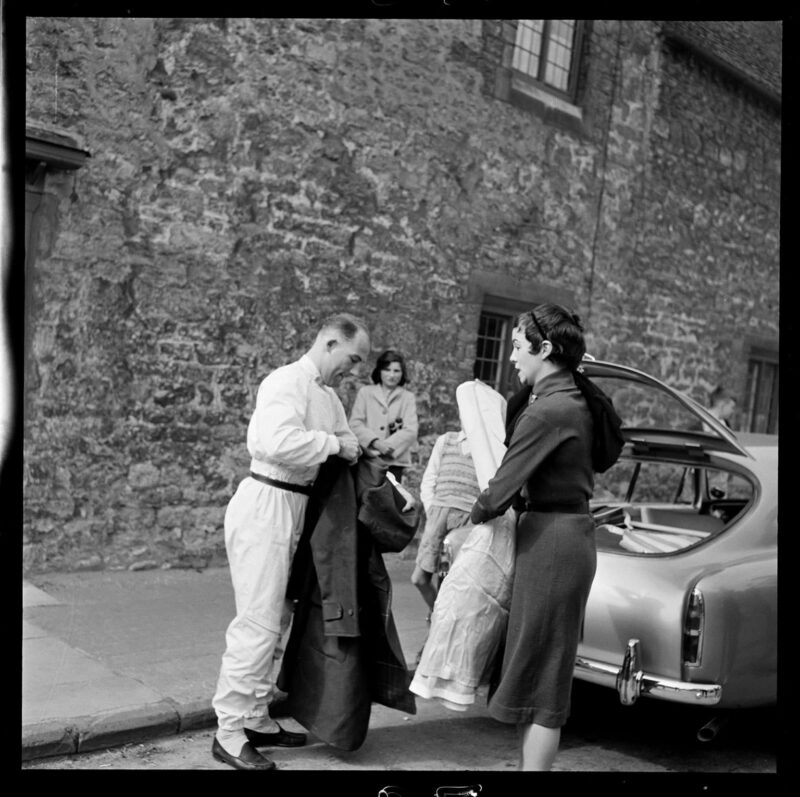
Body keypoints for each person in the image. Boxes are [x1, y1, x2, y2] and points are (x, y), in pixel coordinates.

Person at [211, 313, 371, 771]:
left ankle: (256, 716)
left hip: (301, 507)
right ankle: (228, 731)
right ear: (329, 342)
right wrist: (334, 446)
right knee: (258, 623)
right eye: (352, 358)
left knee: (279, 616)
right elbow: (276, 442)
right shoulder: (285, 381)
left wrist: (339, 444)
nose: (353, 370)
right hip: (267, 502)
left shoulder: (329, 397)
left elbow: (346, 441)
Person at [468, 303, 596, 771]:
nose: (512, 358)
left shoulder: (550, 410)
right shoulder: (562, 402)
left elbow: (499, 490)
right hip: (553, 536)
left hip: (554, 543)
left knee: (543, 684)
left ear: (545, 350)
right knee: (532, 675)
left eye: (519, 347)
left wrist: (467, 523)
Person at [411, 423, 480, 618]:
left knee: (453, 582)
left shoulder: (486, 446)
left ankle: (446, 625)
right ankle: (437, 615)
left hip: (467, 521)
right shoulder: (447, 441)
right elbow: (429, 480)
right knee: (420, 578)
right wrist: (433, 509)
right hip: (438, 517)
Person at [349, 349, 419, 482]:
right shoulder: (365, 393)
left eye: (396, 371)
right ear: (379, 371)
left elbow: (411, 430)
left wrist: (387, 446)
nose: (392, 375)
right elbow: (355, 424)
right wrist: (375, 443)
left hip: (394, 462)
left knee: (391, 499)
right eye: (387, 370)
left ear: (402, 373)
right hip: (367, 459)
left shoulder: (407, 397)